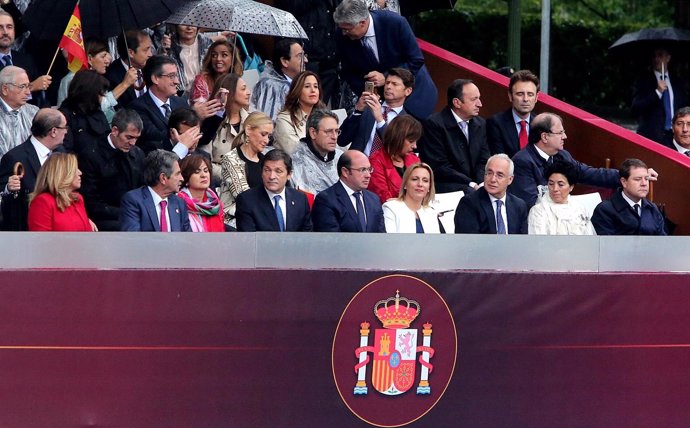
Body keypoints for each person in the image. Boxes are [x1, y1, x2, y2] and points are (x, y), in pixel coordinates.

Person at [510, 112, 654, 208]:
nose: (565, 137)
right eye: (560, 133)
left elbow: (590, 173)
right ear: (544, 137)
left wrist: (629, 176)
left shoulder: (563, 156)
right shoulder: (522, 161)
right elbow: (530, 204)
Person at [333, 0, 438, 119]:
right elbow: (349, 71)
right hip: (380, 104)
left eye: (347, 29)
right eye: (342, 29)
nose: (344, 33)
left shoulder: (395, 23)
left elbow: (416, 59)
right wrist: (369, 92)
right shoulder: (341, 36)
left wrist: (386, 77)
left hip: (415, 97)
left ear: (362, 22)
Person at [78, 109, 146, 231]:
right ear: (115, 131)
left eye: (136, 138)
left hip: (132, 215)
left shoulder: (137, 154)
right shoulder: (91, 155)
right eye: (129, 137)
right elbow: (91, 200)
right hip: (105, 219)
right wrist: (126, 212)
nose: (132, 143)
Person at [0, 108, 67, 230]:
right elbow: (4, 195)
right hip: (28, 229)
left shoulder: (61, 153)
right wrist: (8, 188)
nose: (66, 131)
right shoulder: (15, 158)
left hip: (60, 225)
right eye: (64, 127)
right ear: (53, 131)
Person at [419, 79, 490, 193]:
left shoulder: (480, 124)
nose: (480, 104)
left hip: (475, 185)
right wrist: (471, 184)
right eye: (474, 99)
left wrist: (481, 183)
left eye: (479, 98)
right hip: (447, 187)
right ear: (457, 102)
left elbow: (484, 159)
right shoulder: (434, 124)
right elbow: (439, 166)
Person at [275, 0, 342, 108]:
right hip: (306, 55)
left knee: (322, 105)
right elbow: (287, 9)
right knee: (304, 100)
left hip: (329, 55)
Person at [57, 38, 137, 123]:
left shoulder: (99, 78)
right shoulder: (71, 79)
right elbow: (100, 105)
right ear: (90, 58)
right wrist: (125, 84)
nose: (107, 61)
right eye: (103, 56)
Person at [338, 67, 413, 156]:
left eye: (394, 84)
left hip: (384, 168)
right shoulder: (368, 108)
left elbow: (396, 149)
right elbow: (341, 140)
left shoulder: (408, 122)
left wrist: (380, 120)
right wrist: (357, 111)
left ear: (408, 91)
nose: (388, 87)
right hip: (356, 165)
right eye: (387, 83)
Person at [235, 149, 313, 232]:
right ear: (261, 172)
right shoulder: (247, 200)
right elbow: (248, 240)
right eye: (267, 170)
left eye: (278, 171)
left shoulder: (300, 199)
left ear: (289, 175)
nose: (272, 176)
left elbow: (307, 237)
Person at [219, 111, 273, 227]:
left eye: (269, 136)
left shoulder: (266, 161)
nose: (267, 141)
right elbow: (245, 197)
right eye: (263, 134)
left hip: (264, 218)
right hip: (235, 222)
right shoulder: (231, 159)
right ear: (248, 130)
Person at [311, 149, 385, 232]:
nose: (368, 175)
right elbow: (330, 240)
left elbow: (381, 237)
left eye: (369, 169)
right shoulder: (326, 200)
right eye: (362, 170)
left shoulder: (373, 199)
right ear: (345, 172)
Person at [119, 149, 191, 232]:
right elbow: (133, 238)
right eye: (177, 174)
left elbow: (187, 238)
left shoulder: (179, 203)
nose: (182, 178)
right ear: (163, 178)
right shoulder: (133, 201)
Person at [454, 154, 528, 234]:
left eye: (499, 175)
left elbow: (522, 242)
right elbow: (469, 243)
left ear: (510, 179)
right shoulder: (469, 204)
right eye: (489, 173)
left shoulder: (519, 206)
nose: (493, 179)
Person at [591, 158, 666, 236]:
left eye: (646, 179)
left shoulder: (653, 209)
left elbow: (663, 243)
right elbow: (605, 245)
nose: (644, 183)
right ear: (624, 182)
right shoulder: (605, 210)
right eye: (638, 179)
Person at [201, 73, 251, 182]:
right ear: (230, 93)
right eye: (243, 89)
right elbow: (205, 161)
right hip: (220, 185)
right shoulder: (212, 122)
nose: (249, 92)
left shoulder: (251, 121)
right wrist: (232, 177)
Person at [632, 48, 688, 146]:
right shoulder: (644, 81)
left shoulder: (677, 82)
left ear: (668, 58)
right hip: (651, 137)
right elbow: (636, 107)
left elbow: (683, 107)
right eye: (654, 56)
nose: (657, 59)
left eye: (660, 55)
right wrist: (657, 92)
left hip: (673, 138)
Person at [27, 153, 96, 231]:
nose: (80, 173)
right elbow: (41, 240)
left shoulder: (78, 199)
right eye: (75, 169)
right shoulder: (43, 202)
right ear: (62, 173)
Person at [527, 161, 596, 235]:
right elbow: (538, 243)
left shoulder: (580, 209)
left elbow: (589, 238)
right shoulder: (538, 211)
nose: (555, 189)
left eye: (561, 184)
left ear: (571, 187)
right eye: (551, 184)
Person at [0, 10, 52, 106]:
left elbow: (39, 98)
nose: (6, 32)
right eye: (0, 27)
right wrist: (31, 87)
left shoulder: (26, 60)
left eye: (9, 27)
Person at [368, 114, 421, 203]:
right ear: (398, 138)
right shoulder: (376, 161)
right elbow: (383, 198)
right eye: (411, 141)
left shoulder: (414, 159)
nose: (415, 146)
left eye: (416, 141)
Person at [250, 39, 307, 121]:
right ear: (284, 61)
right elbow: (268, 122)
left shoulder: (301, 81)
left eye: (304, 55)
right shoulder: (270, 86)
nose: (305, 60)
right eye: (300, 56)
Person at [487, 70, 539, 157]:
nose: (525, 99)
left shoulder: (540, 124)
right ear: (510, 96)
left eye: (530, 94)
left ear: (536, 98)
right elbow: (499, 161)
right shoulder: (496, 123)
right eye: (520, 94)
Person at [291, 109, 344, 194]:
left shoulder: (341, 157)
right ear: (313, 133)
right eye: (328, 131)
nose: (334, 137)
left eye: (337, 131)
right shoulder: (296, 160)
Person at [273, 71, 326, 155]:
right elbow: (296, 152)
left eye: (316, 86)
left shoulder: (324, 117)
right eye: (307, 86)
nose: (313, 90)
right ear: (297, 91)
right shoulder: (284, 119)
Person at [59, 70, 110, 155]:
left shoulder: (98, 113)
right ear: (90, 92)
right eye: (100, 94)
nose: (102, 98)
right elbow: (67, 150)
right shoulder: (64, 116)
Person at [382, 162, 440, 233]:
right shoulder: (391, 208)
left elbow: (436, 243)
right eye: (415, 179)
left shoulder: (431, 213)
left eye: (425, 181)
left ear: (429, 187)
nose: (420, 184)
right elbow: (390, 241)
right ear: (405, 184)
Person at [104, 30, 154, 108]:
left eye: (150, 49)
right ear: (131, 53)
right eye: (145, 50)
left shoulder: (151, 66)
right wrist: (125, 84)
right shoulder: (111, 76)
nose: (150, 54)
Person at [163, 25, 215, 97]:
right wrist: (165, 51)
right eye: (184, 24)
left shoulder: (208, 44)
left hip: (205, 94)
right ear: (176, 26)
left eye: (193, 23)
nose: (189, 28)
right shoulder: (168, 45)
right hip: (178, 96)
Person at [177, 153, 225, 232]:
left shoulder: (215, 204)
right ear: (186, 178)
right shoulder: (178, 204)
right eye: (197, 172)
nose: (203, 175)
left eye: (206, 171)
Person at [0, 65, 37, 158]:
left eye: (28, 86)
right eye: (22, 86)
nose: (28, 92)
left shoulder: (34, 112)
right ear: (5, 89)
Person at [190, 39, 243, 104]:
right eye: (214, 55)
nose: (218, 59)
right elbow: (200, 109)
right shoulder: (201, 80)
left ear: (233, 60)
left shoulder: (238, 82)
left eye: (224, 55)